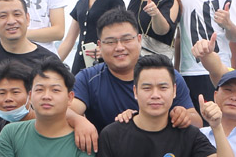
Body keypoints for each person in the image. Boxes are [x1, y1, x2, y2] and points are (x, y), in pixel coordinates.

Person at [96, 56, 231, 157]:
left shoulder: (187, 133)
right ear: (135, 92)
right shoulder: (112, 135)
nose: (155, 95)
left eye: (163, 87)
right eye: (147, 88)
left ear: (174, 91)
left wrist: (216, 126)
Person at [72, 9, 200, 131]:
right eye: (110, 42)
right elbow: (66, 112)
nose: (119, 47)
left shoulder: (167, 75)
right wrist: (78, 121)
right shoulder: (88, 79)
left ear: (139, 40)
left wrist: (183, 116)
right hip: (108, 145)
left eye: (127, 39)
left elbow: (197, 123)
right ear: (99, 46)